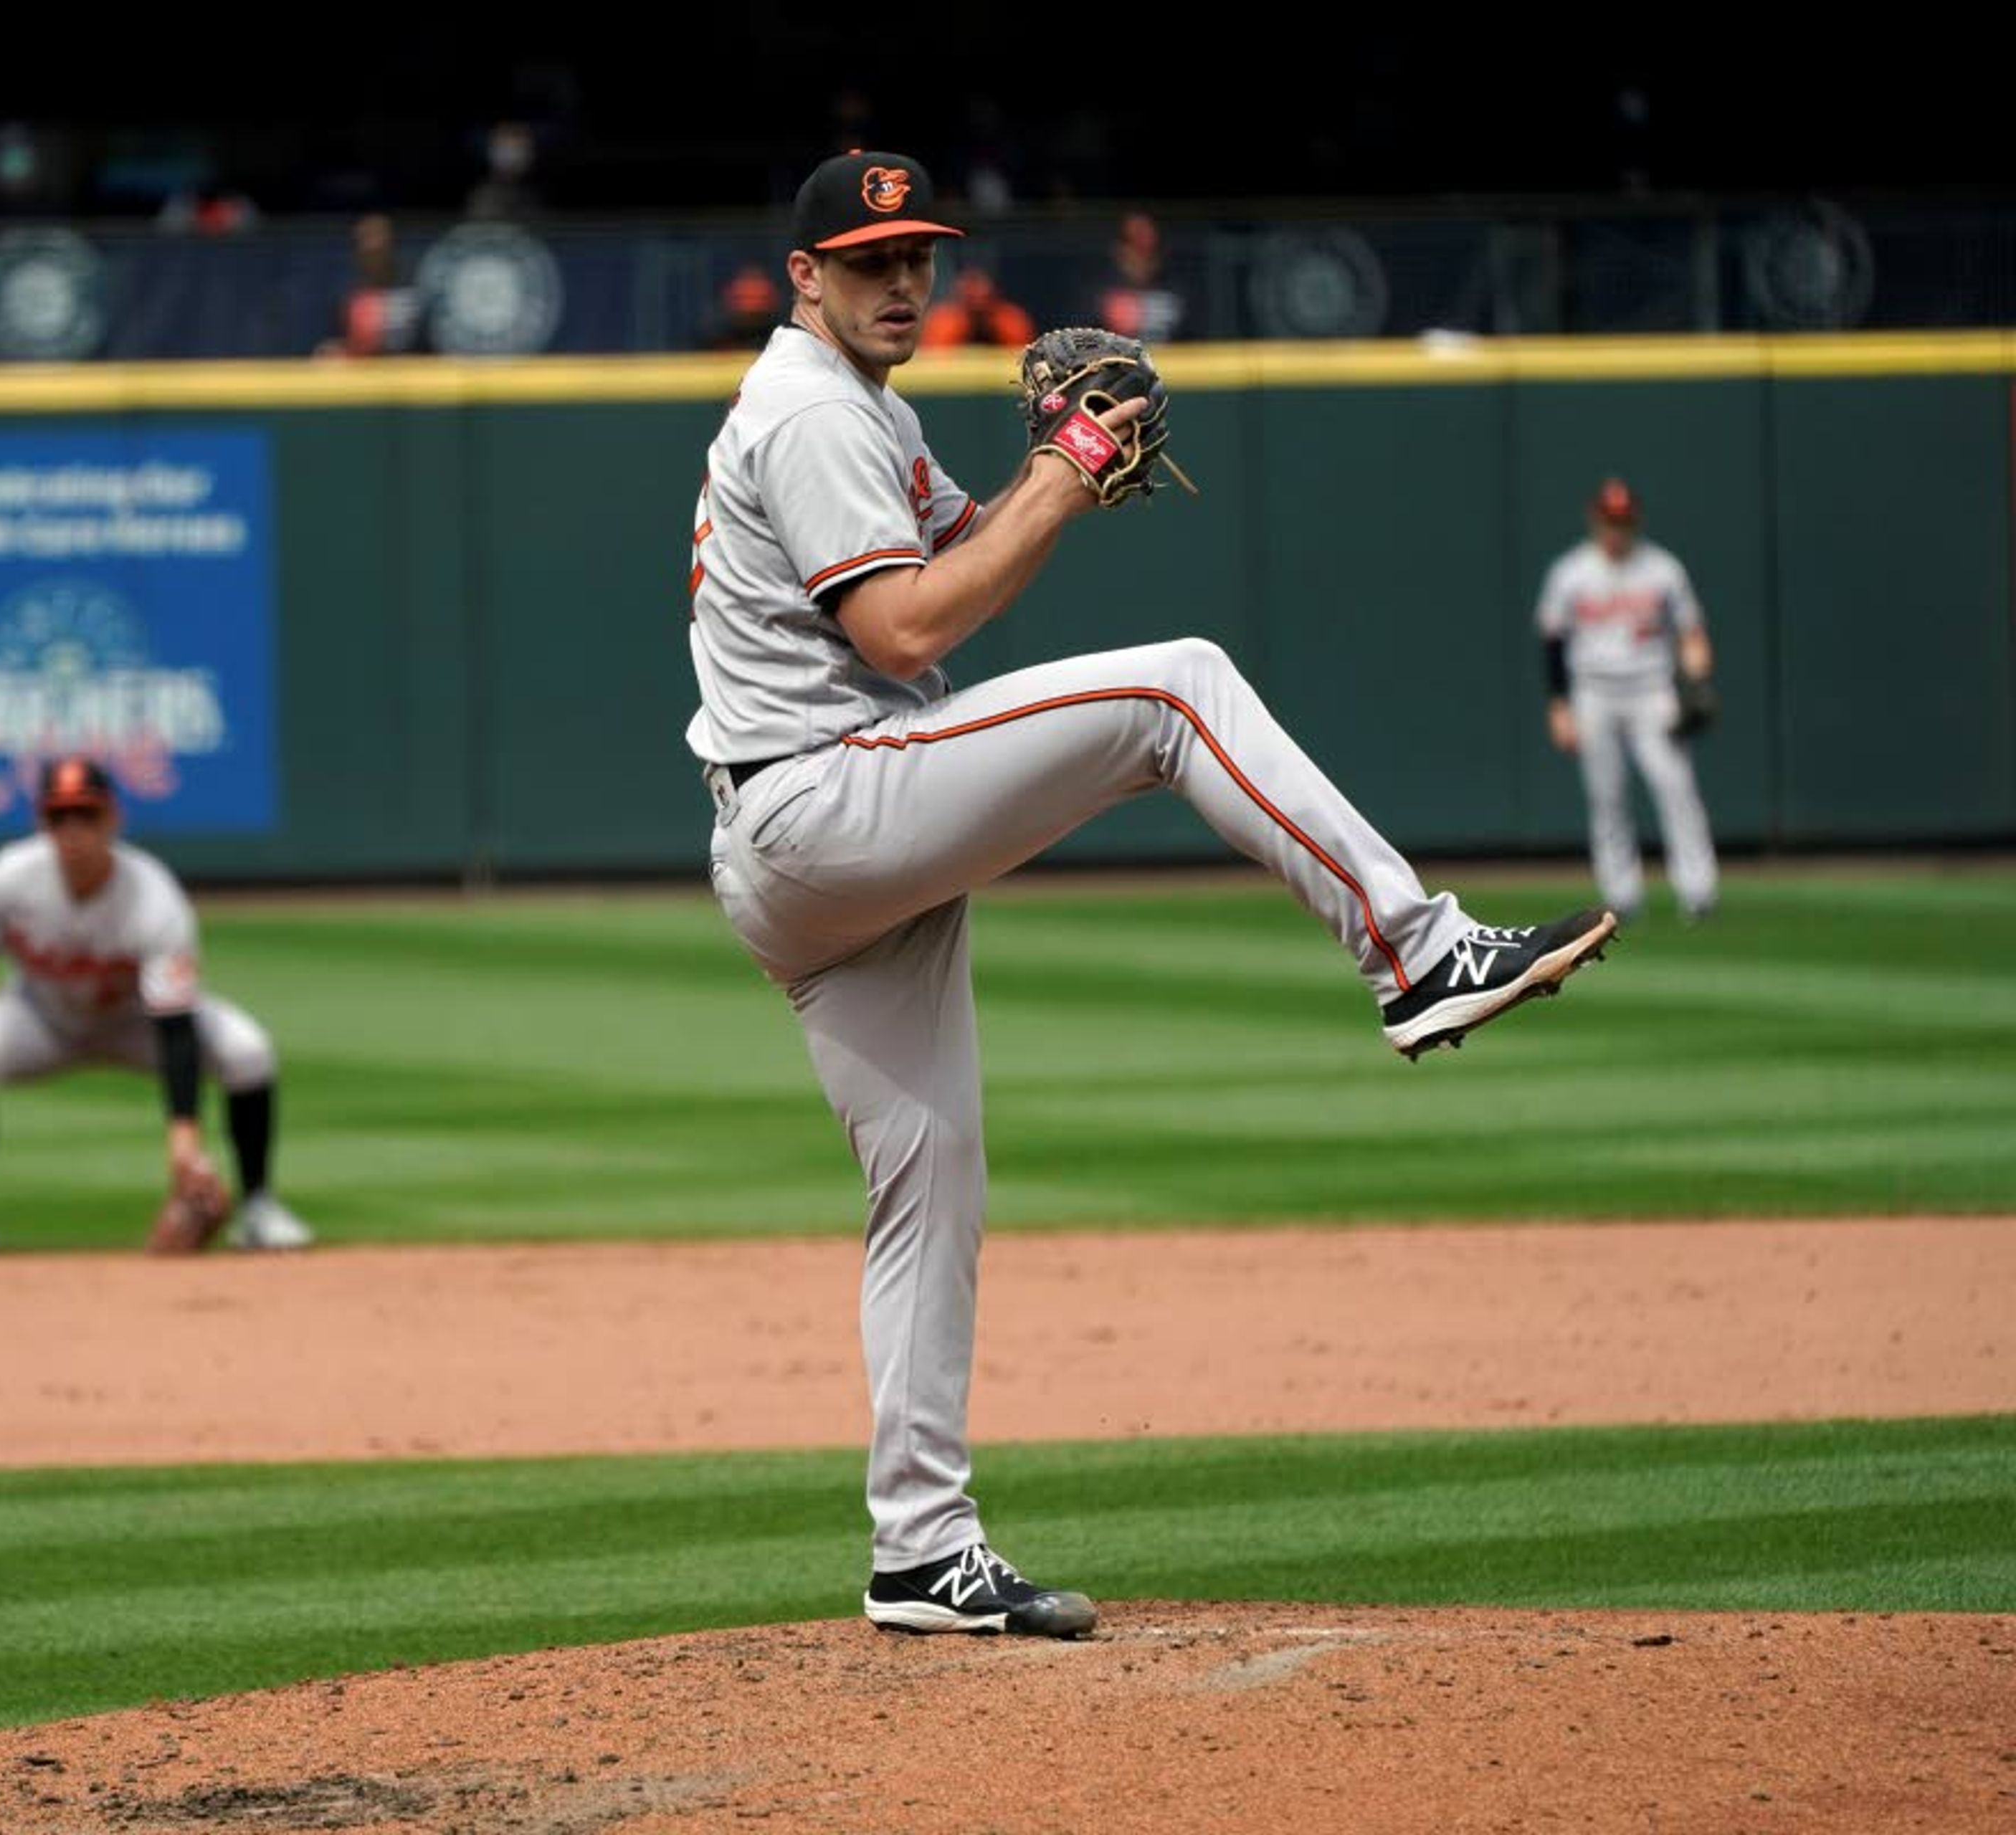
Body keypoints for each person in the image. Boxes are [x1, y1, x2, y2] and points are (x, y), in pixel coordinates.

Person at [684, 149, 1616, 1639]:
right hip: (825, 796)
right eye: (869, 261)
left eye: (918, 254)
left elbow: (969, 546)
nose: (902, 280)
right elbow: (908, 615)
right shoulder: (805, 407)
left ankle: (921, 1548)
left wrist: (1058, 472)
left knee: (931, 1177)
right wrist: (1061, 476)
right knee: (1176, 686)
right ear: (804, 276)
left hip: (803, 844)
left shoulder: (865, 408)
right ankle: (1419, 950)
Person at [0, 756, 314, 1257]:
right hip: (41, 1017)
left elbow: (176, 1024)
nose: (73, 831)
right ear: (42, 822)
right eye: (60, 817)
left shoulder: (154, 897)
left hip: (136, 1021)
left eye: (87, 814)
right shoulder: (11, 876)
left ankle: (258, 1208)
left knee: (248, 1052)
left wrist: (183, 1138)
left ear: (113, 819)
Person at [1536, 477, 1719, 923]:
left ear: (1634, 520)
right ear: (1595, 519)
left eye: (1623, 520)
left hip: (1651, 690)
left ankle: (1698, 892)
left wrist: (1696, 678)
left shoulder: (1663, 570)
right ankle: (1621, 897)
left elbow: (1691, 632)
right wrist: (1559, 706)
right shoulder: (1571, 572)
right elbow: (1553, 641)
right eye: (1609, 519)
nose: (1616, 529)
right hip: (1593, 693)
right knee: (1607, 796)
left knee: (1676, 788)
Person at [316, 212, 424, 358]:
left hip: (413, 373)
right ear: (357, 252)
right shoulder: (347, 295)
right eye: (366, 240)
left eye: (379, 239)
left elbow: (432, 339)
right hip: (365, 375)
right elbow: (333, 342)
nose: (373, 246)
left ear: (391, 245)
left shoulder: (416, 288)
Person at [1095, 211, 1186, 344]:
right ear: (1120, 251)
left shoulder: (1177, 291)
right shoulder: (1100, 296)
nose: (1144, 257)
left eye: (1150, 248)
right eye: (1135, 245)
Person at [918, 264, 1034, 351]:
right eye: (970, 298)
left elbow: (1023, 358)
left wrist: (991, 326)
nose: (977, 304)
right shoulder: (943, 321)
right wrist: (965, 327)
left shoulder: (1010, 319)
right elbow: (935, 362)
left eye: (984, 298)